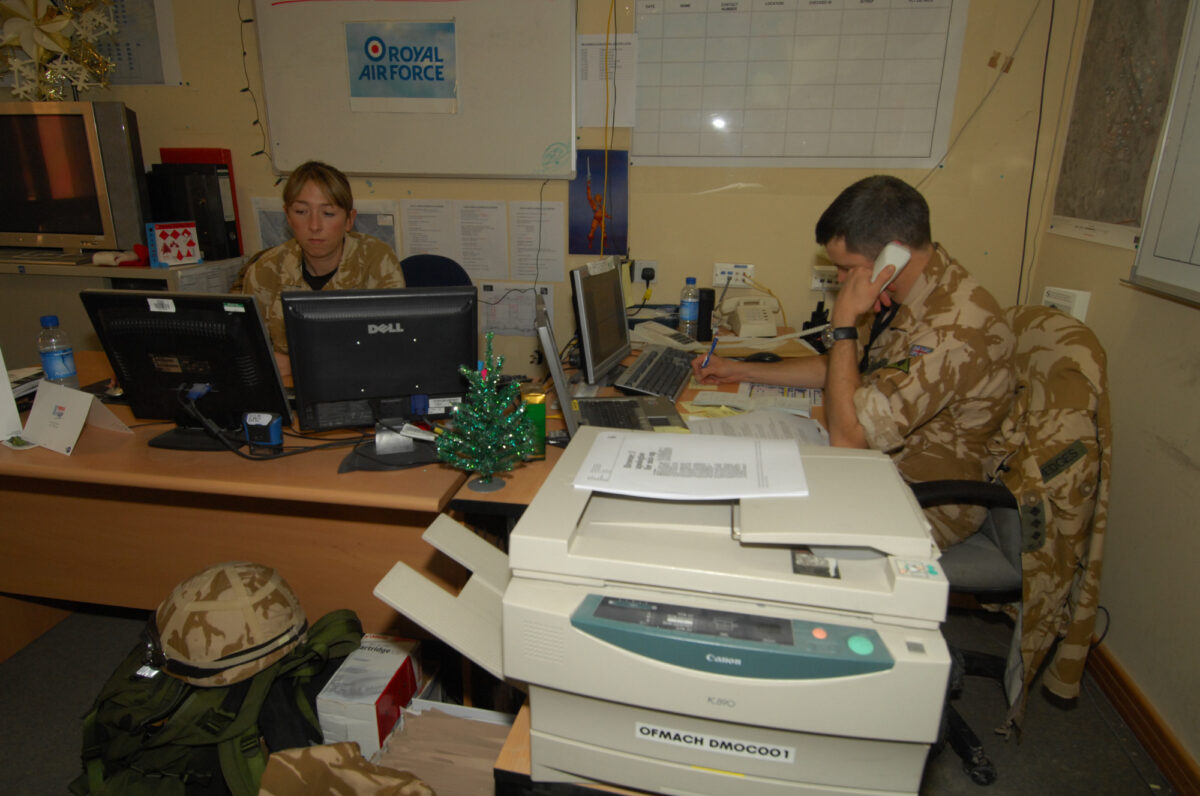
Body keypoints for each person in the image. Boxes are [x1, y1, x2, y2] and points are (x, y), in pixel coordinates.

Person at [693, 175, 1015, 548]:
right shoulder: (908, 291)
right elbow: (840, 371)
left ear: (893, 255)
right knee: (737, 483)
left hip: (920, 501)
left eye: (847, 268)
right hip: (874, 470)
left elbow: (848, 443)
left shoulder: (956, 329)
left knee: (744, 524)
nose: (842, 280)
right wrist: (739, 369)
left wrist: (844, 323)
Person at [238, 160, 405, 379]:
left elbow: (391, 349)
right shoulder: (265, 269)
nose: (314, 226)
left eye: (328, 213)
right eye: (301, 211)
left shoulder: (377, 261)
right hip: (290, 394)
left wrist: (299, 364)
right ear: (288, 216)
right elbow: (246, 350)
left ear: (349, 220)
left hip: (358, 387)